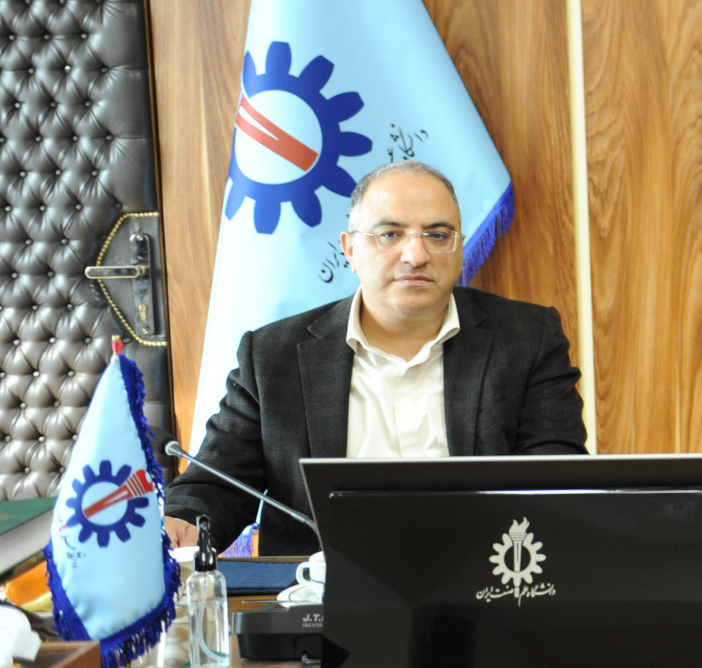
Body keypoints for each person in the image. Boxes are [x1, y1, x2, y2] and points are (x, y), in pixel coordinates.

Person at [163, 161, 587, 554]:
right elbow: (218, 483)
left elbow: (555, 476)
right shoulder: (274, 356)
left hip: (485, 585)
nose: (416, 255)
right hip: (320, 597)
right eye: (390, 234)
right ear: (349, 249)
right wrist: (183, 520)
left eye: (438, 235)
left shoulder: (526, 338)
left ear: (459, 248)